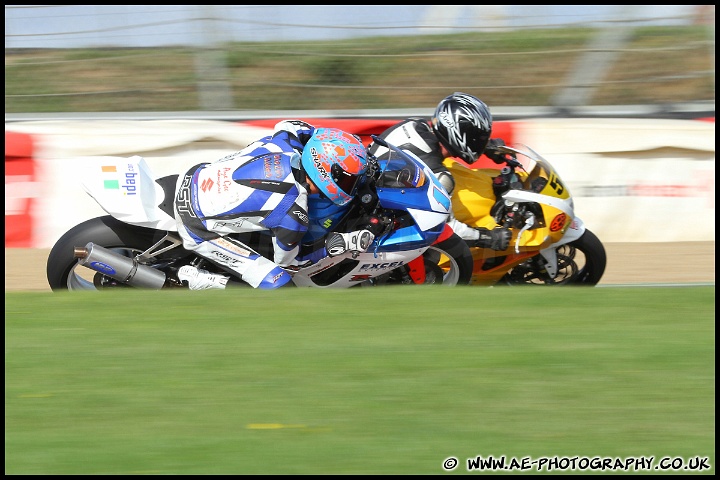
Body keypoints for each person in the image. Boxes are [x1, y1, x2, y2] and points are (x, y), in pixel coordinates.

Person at [174, 120, 375, 290]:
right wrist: (338, 244)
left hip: (194, 177)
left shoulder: (285, 142)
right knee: (281, 284)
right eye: (350, 180)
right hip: (195, 224)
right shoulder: (293, 212)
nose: (355, 186)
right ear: (325, 173)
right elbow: (291, 264)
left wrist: (325, 139)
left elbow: (290, 125)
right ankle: (203, 280)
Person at [367, 92, 513, 251]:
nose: (481, 141)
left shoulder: (413, 125)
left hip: (365, 190)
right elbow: (446, 230)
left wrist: (487, 148)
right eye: (479, 137)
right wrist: (488, 238)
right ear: (462, 133)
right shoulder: (439, 176)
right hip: (381, 225)